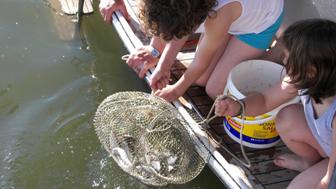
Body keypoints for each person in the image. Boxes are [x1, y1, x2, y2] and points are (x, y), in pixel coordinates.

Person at [215, 19, 336, 189]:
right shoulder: (302, 80)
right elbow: (265, 100)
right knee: (288, 118)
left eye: (287, 58)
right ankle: (310, 163)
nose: (283, 61)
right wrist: (238, 107)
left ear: (310, 71)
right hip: (327, 146)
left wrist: (324, 182)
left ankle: (319, 166)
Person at [134, 0, 284, 102]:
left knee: (215, 90)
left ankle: (279, 50)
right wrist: (164, 65)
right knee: (201, 79)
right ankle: (230, 33)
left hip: (260, 24)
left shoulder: (218, 17)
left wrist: (176, 90)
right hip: (235, 15)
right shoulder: (190, 6)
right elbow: (181, 27)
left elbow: (201, 61)